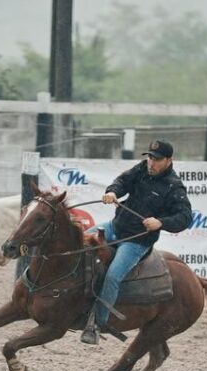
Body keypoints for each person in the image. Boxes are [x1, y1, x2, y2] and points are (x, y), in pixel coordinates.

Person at [81, 139, 193, 344]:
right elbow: (123, 181)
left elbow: (185, 217)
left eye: (157, 159)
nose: (151, 162)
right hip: (114, 227)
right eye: (149, 157)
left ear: (169, 160)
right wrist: (112, 191)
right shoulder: (142, 169)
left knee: (113, 276)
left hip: (137, 242)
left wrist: (160, 222)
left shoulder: (174, 187)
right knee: (79, 243)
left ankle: (97, 323)